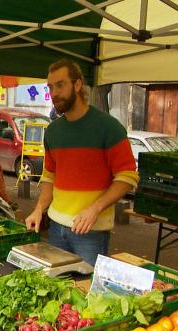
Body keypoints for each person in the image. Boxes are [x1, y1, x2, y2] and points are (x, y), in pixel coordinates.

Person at [25, 59, 139, 266]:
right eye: (51, 87)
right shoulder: (53, 131)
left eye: (60, 85)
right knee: (57, 290)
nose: (55, 93)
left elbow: (127, 177)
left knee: (87, 294)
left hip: (90, 232)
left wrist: (94, 209)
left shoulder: (109, 128)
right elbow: (49, 176)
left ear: (77, 85)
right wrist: (38, 209)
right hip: (56, 228)